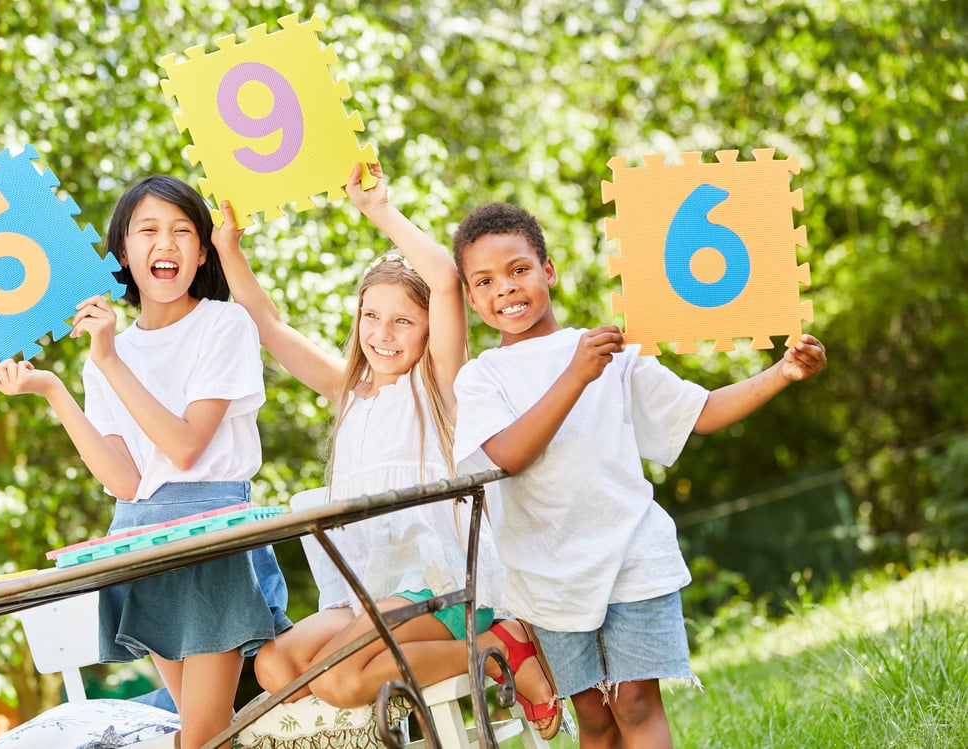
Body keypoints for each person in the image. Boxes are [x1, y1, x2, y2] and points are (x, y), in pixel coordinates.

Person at [450, 202, 828, 749]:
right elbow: (509, 456)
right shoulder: (481, 378)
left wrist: (783, 372)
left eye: (518, 270)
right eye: (484, 280)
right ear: (469, 296)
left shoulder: (611, 354)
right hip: (548, 577)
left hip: (632, 555)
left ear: (548, 270)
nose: (505, 289)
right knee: (596, 720)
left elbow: (698, 413)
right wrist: (576, 375)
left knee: (634, 701)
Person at [214, 163, 563, 738]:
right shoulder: (347, 392)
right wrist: (229, 245)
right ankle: (477, 661)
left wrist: (376, 208)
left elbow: (448, 282)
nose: (383, 333)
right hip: (368, 595)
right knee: (272, 664)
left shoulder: (442, 386)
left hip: (442, 587)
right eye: (371, 316)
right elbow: (268, 324)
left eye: (404, 321)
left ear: (429, 330)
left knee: (340, 681)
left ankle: (501, 646)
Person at [0, 174, 292, 749]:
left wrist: (107, 359)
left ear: (203, 251)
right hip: (138, 538)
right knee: (196, 737)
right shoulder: (108, 353)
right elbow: (126, 480)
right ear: (123, 252)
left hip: (210, 534)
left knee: (201, 736)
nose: (166, 244)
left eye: (182, 231)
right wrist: (54, 389)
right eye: (147, 230)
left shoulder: (225, 324)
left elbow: (184, 447)